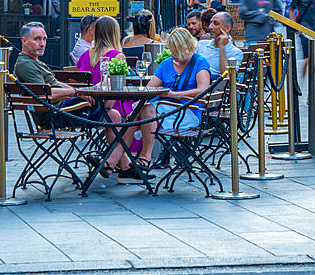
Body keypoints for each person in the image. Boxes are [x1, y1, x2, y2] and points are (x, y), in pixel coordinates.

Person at [134, 27, 213, 173]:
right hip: (163, 111)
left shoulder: (199, 62)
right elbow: (150, 90)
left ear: (184, 48)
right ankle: (121, 160)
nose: (172, 54)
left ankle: (140, 158)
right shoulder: (166, 64)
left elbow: (203, 91)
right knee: (138, 113)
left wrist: (173, 95)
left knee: (142, 113)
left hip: (188, 113)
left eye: (175, 50)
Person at [74, 16, 134, 178]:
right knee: (136, 116)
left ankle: (125, 166)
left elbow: (78, 84)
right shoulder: (117, 56)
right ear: (114, 33)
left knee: (127, 115)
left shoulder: (85, 55)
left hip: (87, 109)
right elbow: (117, 91)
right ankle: (112, 164)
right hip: (109, 107)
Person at [196, 12, 244, 79]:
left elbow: (227, 77)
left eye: (216, 24)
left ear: (227, 28)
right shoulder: (201, 44)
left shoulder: (236, 53)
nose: (210, 27)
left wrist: (221, 47)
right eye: (210, 23)